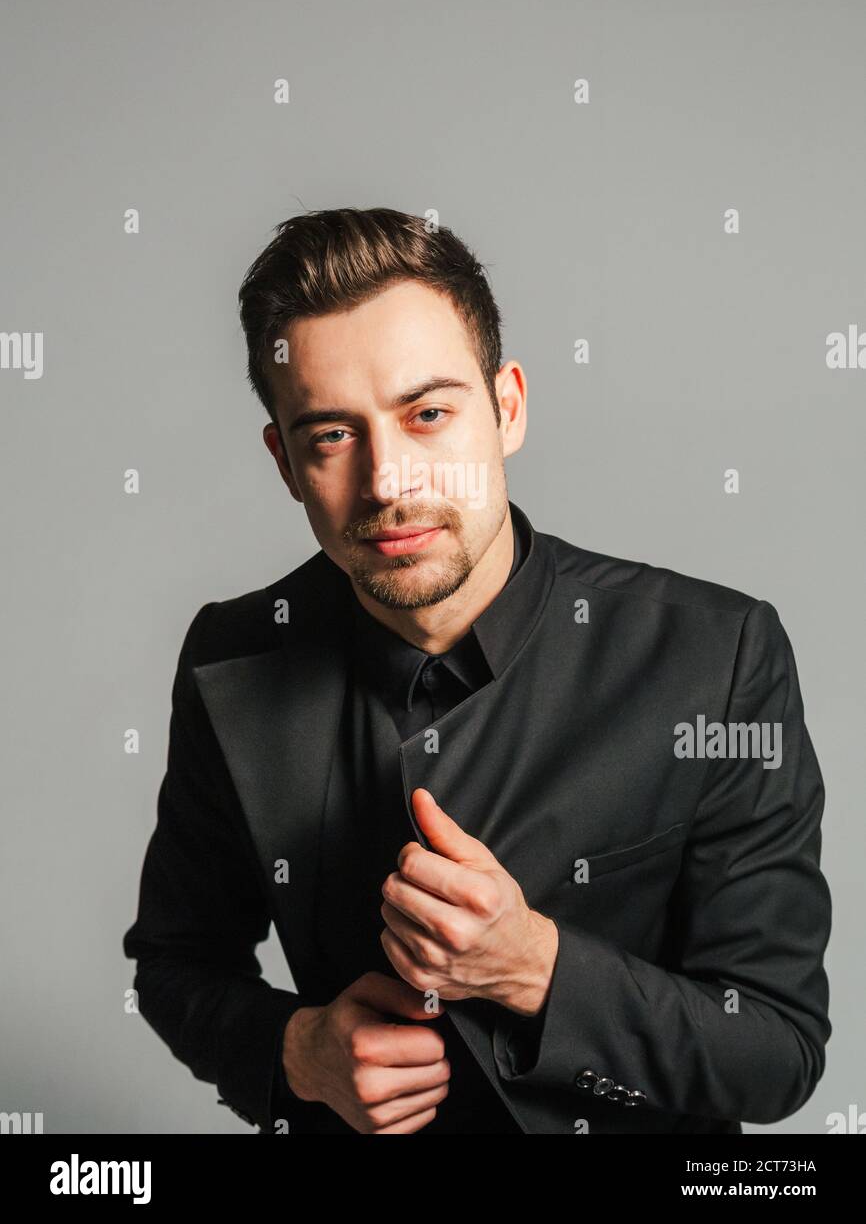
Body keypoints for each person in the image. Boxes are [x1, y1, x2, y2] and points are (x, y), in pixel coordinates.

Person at [123, 208, 832, 1134]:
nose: (388, 481)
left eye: (428, 414)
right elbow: (177, 962)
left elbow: (776, 1051)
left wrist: (536, 967)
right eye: (332, 435)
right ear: (286, 463)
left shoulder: (718, 656)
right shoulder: (235, 658)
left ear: (507, 408)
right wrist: (297, 1053)